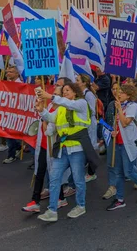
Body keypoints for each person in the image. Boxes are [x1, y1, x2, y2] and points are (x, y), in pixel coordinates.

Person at [35, 83, 97, 222]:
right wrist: (41, 110)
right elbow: (51, 118)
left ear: (75, 92)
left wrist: (50, 96)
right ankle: (52, 210)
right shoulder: (62, 107)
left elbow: (68, 104)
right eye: (63, 91)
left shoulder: (81, 103)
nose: (64, 93)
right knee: (54, 177)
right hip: (63, 148)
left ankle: (81, 205)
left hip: (77, 149)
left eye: (67, 90)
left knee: (78, 179)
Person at [22, 86, 68, 213]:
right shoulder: (49, 107)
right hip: (43, 146)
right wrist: (41, 109)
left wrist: (44, 120)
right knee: (40, 173)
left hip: (52, 146)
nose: (53, 96)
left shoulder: (62, 110)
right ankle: (35, 201)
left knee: (54, 174)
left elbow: (49, 129)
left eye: (57, 94)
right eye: (53, 93)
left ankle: (61, 198)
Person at [107, 84, 137, 211]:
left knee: (128, 171)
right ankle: (119, 199)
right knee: (119, 172)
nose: (119, 94)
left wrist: (119, 110)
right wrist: (114, 132)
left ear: (128, 94)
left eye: (122, 92)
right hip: (118, 142)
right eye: (118, 92)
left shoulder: (133, 106)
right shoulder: (120, 106)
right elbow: (118, 125)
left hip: (129, 143)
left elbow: (125, 123)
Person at [77, 74, 99, 182]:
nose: (76, 82)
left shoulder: (89, 95)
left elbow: (92, 111)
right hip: (84, 123)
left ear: (84, 82)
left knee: (91, 147)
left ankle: (92, 172)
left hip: (89, 123)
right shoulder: (81, 94)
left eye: (78, 80)